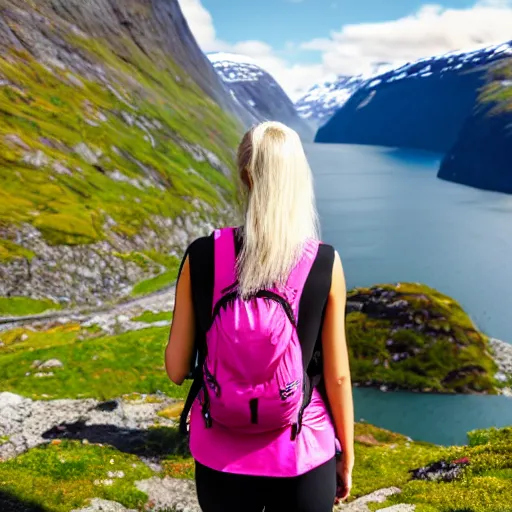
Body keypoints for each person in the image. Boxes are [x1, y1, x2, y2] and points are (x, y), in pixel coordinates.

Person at [165, 121, 354, 512]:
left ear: (245, 176)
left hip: (221, 456)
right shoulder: (323, 261)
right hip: (302, 451)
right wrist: (345, 456)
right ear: (297, 178)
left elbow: (175, 367)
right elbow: (336, 376)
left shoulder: (202, 255)